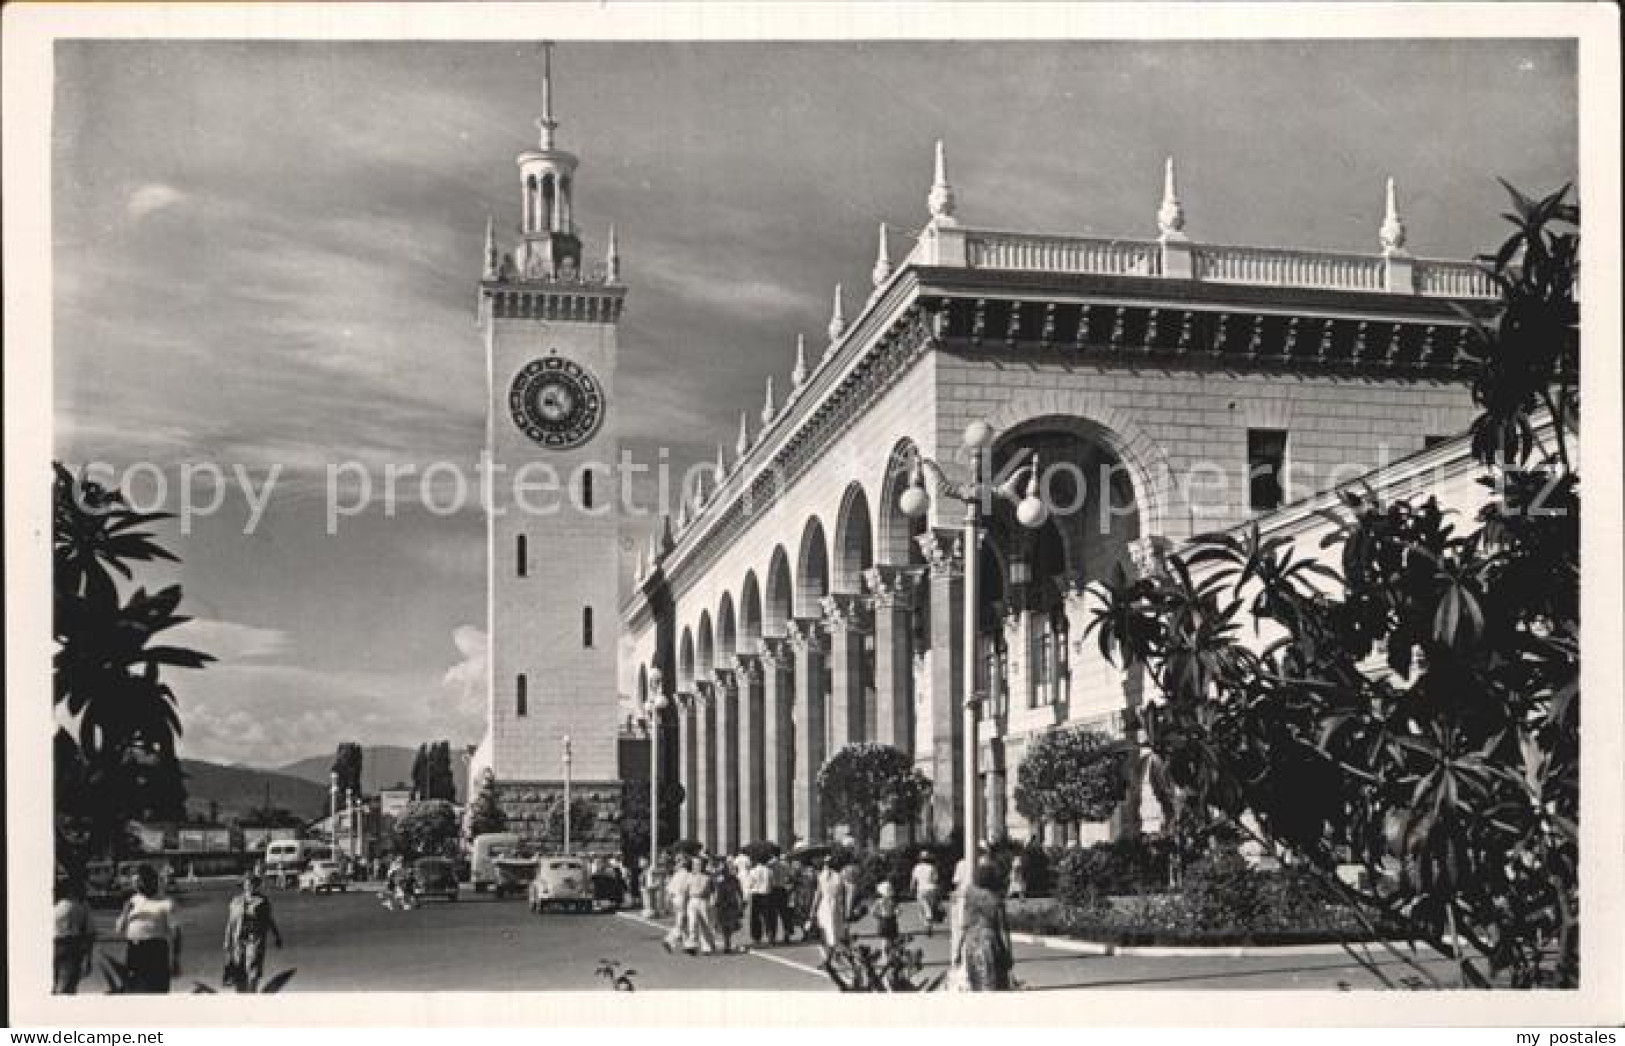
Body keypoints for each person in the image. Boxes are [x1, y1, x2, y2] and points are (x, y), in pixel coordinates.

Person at [114, 864, 181, 993]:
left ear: (153, 880)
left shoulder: (166, 902)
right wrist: (125, 912)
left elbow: (175, 932)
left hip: (156, 950)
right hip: (134, 951)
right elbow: (119, 929)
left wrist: (175, 959)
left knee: (157, 990)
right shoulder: (132, 901)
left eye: (141, 881)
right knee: (134, 991)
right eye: (136, 881)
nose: (138, 885)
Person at [951, 859, 1015, 991]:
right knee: (993, 984)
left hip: (971, 943)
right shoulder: (996, 900)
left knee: (976, 983)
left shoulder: (970, 895)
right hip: (990, 943)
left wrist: (957, 950)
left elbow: (965, 925)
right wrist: (1009, 954)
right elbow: (1003, 931)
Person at [223, 873, 283, 992]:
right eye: (247, 884)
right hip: (238, 939)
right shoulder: (236, 901)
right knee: (238, 967)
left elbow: (269, 920)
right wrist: (226, 940)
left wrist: (276, 936)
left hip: (255, 938)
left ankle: (252, 993)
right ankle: (241, 994)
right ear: (243, 886)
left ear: (256, 886)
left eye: (252, 884)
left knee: (253, 966)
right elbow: (231, 922)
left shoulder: (262, 901)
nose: (250, 886)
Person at [53, 878, 95, 994]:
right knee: (64, 985)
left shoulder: (58, 906)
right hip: (67, 945)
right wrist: (89, 958)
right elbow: (90, 933)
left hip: (64, 945)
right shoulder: (79, 906)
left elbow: (90, 933)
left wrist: (88, 957)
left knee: (62, 985)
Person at [809, 856, 849, 958]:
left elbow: (818, 894)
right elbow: (843, 895)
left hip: (825, 905)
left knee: (826, 932)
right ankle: (833, 954)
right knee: (834, 931)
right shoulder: (839, 876)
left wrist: (813, 909)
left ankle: (829, 956)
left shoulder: (822, 876)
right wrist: (845, 910)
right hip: (835, 905)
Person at [681, 858, 717, 956]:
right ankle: (692, 945)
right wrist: (684, 906)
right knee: (692, 923)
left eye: (699, 864)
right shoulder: (689, 877)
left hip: (703, 901)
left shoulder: (708, 878)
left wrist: (713, 901)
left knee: (705, 924)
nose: (697, 866)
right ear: (692, 866)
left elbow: (713, 891)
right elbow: (685, 892)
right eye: (695, 864)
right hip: (692, 901)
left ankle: (707, 946)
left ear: (703, 866)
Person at [712, 857, 745, 954]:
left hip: (730, 905)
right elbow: (716, 889)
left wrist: (741, 903)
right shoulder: (721, 879)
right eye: (731, 869)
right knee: (724, 925)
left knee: (728, 926)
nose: (733, 871)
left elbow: (739, 892)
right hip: (723, 904)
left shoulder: (735, 880)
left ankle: (727, 943)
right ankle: (726, 943)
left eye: (733, 869)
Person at [662, 857, 690, 953]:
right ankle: (669, 939)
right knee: (682, 923)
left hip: (675, 899)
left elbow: (669, 890)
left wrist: (668, 902)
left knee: (683, 922)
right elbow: (687, 890)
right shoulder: (687, 875)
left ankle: (687, 945)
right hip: (683, 899)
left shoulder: (676, 875)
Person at [910, 851, 940, 936]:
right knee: (929, 907)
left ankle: (927, 924)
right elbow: (935, 879)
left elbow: (913, 880)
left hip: (921, 889)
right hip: (932, 889)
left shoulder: (916, 867)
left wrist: (911, 889)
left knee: (922, 908)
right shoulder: (932, 867)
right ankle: (929, 922)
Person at [746, 856, 774, 946]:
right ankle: (770, 935)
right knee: (768, 916)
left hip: (756, 894)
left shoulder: (753, 871)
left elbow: (750, 884)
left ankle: (756, 937)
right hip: (766, 894)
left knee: (755, 917)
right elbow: (772, 883)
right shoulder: (769, 871)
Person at [872, 880, 901, 966]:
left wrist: (879, 917)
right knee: (888, 940)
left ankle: (887, 958)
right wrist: (895, 913)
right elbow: (899, 911)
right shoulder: (890, 901)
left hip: (885, 921)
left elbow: (873, 912)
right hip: (889, 920)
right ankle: (888, 957)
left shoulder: (880, 901)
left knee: (887, 940)